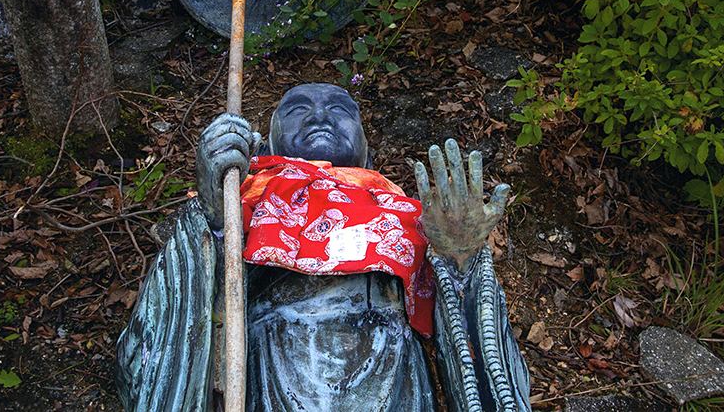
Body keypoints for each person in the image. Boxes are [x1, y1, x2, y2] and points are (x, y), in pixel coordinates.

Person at [116, 83, 531, 412]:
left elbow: (459, 336)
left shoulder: (409, 216)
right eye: (297, 109)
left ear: (367, 150)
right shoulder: (241, 201)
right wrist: (211, 219)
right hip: (276, 365)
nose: (319, 116)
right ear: (267, 144)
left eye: (339, 109)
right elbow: (173, 322)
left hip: (393, 375)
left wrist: (459, 259)